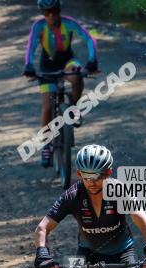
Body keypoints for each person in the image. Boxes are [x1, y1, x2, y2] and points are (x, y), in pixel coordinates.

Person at [23, 0, 99, 168]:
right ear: (43, 13)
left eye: (54, 11)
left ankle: (74, 108)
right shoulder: (38, 26)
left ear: (59, 10)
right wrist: (28, 65)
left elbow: (89, 39)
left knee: (77, 76)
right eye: (47, 12)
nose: (51, 15)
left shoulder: (69, 23)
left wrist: (93, 61)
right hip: (47, 65)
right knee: (47, 107)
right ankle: (46, 146)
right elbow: (31, 47)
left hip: (68, 61)